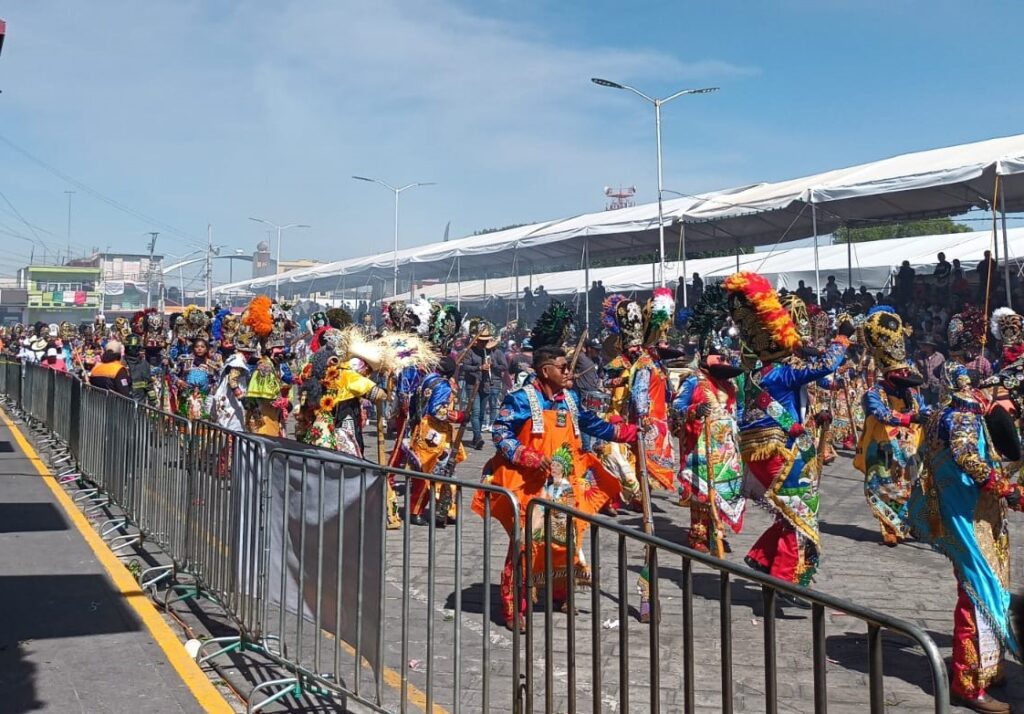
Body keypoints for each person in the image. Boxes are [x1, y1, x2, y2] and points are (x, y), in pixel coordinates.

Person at [472, 302, 636, 631]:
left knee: (566, 541)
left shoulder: (570, 399)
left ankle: (560, 595)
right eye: (563, 367)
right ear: (546, 370)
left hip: (564, 487)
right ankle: (513, 607)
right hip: (529, 485)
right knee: (525, 546)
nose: (569, 372)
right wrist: (527, 455)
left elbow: (592, 424)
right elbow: (500, 434)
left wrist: (627, 432)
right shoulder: (520, 398)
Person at [723, 272, 851, 593]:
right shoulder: (783, 372)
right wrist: (843, 339)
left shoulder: (759, 374)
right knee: (802, 516)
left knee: (790, 513)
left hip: (763, 453)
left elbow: (794, 395)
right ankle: (784, 581)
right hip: (779, 452)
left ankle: (763, 559)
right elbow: (826, 366)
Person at [907, 362, 1022, 713]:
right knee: (979, 590)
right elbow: (966, 456)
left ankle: (988, 667)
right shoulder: (964, 414)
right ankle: (967, 683)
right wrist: (1007, 489)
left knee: (992, 586)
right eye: (1014, 407)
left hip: (974, 512)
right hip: (965, 515)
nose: (1014, 415)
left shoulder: (954, 407)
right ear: (998, 393)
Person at [672, 284, 746, 554]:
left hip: (725, 448)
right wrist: (694, 412)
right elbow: (676, 408)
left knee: (724, 490)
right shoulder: (693, 381)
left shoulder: (729, 385)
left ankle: (718, 529)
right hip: (701, 446)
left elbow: (736, 413)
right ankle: (698, 534)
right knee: (701, 493)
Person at [853, 306, 928, 546]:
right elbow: (882, 414)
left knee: (910, 487)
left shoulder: (912, 394)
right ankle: (888, 526)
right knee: (882, 486)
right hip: (881, 448)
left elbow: (923, 409)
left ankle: (907, 522)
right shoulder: (874, 393)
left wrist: (928, 416)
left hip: (908, 451)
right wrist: (909, 419)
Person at [916, 338, 945, 405]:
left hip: (936, 385)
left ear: (931, 347)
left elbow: (943, 372)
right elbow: (916, 369)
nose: (923, 347)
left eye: (926, 345)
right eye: (923, 345)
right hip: (924, 385)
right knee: (923, 405)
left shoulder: (940, 357)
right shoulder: (918, 356)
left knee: (936, 406)